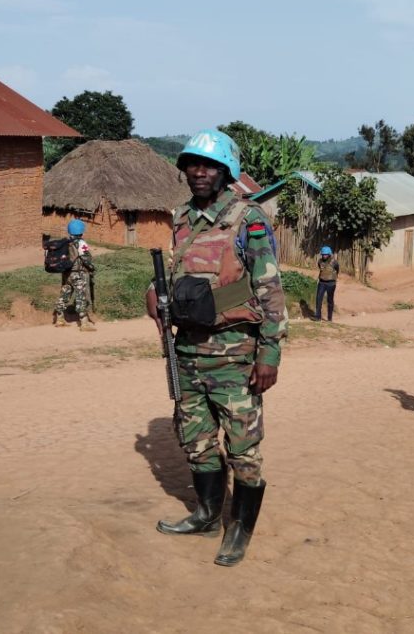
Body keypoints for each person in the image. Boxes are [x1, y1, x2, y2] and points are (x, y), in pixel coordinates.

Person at [144, 129, 288, 567]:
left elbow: (270, 289)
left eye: (209, 165)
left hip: (235, 355)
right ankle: (206, 513)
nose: (199, 172)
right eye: (192, 164)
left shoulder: (248, 219)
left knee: (243, 448)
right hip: (187, 351)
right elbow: (181, 276)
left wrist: (270, 354)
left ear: (225, 172)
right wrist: (153, 291)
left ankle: (239, 529)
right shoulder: (182, 218)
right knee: (196, 441)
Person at [52, 219, 96, 331]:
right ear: (81, 231)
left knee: (65, 294)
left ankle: (60, 318)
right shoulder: (81, 243)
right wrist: (92, 267)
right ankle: (84, 323)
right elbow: (86, 258)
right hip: (78, 274)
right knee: (81, 296)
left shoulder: (65, 243)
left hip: (66, 273)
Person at [314, 246, 339, 321]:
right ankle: (318, 317)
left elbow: (337, 269)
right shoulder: (320, 261)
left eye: (326, 254)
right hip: (322, 282)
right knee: (318, 299)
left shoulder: (334, 262)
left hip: (331, 284)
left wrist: (333, 277)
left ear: (329, 254)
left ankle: (329, 318)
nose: (324, 256)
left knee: (330, 300)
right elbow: (321, 269)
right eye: (323, 254)